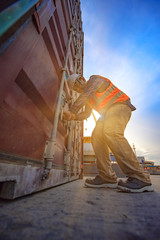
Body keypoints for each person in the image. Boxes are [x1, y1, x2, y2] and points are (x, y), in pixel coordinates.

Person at [63, 74, 153, 193]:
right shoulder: (88, 98)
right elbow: (86, 114)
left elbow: (86, 93)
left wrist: (72, 111)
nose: (78, 89)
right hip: (107, 114)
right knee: (97, 137)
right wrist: (73, 116)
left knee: (111, 132)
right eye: (75, 89)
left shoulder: (95, 79)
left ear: (82, 79)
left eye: (77, 85)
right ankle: (107, 177)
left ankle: (141, 178)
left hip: (120, 106)